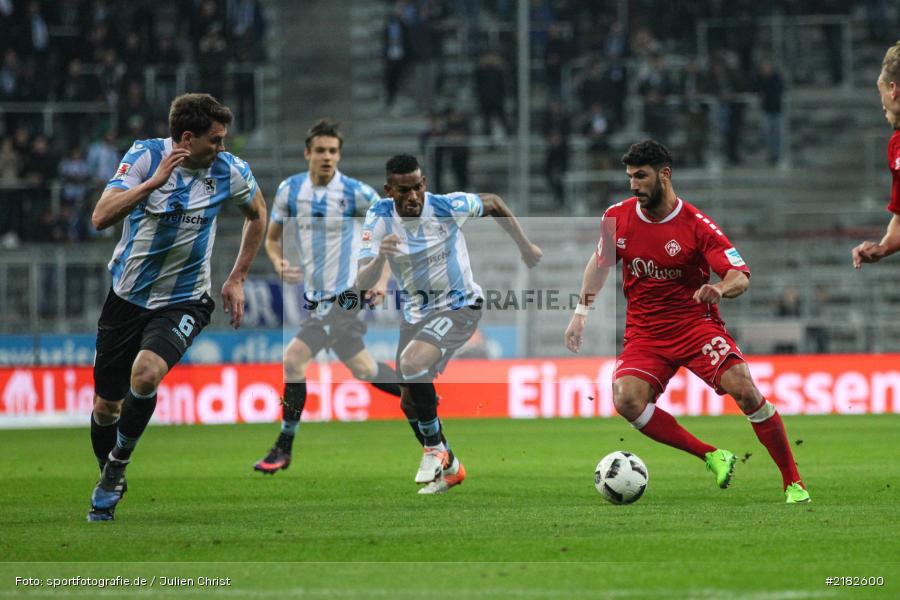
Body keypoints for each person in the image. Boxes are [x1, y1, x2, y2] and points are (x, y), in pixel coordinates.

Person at [564, 140, 810, 504]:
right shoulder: (617, 218)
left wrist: (720, 289)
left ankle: (793, 482)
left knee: (744, 389)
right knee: (626, 401)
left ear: (665, 174)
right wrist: (581, 312)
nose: (634, 184)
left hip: (694, 326)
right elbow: (600, 265)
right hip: (645, 333)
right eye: (630, 176)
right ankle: (712, 455)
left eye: (641, 176)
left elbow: (740, 276)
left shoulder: (697, 226)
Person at [87, 93, 267, 521]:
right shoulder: (145, 158)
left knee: (146, 374)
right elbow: (99, 217)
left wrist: (237, 276)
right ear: (187, 138)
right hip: (127, 298)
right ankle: (108, 472)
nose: (222, 148)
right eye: (215, 140)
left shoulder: (229, 171)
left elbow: (257, 213)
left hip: (186, 299)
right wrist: (150, 186)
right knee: (105, 407)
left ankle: (116, 467)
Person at [357, 154, 542, 494]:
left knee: (412, 364)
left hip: (460, 307)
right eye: (403, 191)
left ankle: (434, 450)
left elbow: (495, 204)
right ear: (389, 190)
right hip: (415, 315)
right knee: (407, 401)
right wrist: (381, 256)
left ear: (424, 184)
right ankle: (452, 466)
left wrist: (525, 246)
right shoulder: (379, 217)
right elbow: (361, 279)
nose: (413, 197)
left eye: (417, 188)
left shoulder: (445, 206)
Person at [252, 119, 404, 474]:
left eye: (333, 151)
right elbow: (272, 238)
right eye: (320, 150)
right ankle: (420, 394)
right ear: (307, 153)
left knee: (293, 359)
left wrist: (381, 279)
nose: (327, 157)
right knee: (364, 369)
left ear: (339, 155)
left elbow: (391, 235)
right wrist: (277, 261)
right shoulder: (290, 191)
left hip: (349, 294)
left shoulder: (356, 193)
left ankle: (283, 447)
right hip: (317, 299)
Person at [852, 42, 900, 268]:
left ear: (893, 90)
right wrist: (883, 247)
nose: (882, 106)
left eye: (880, 93)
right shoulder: (896, 146)